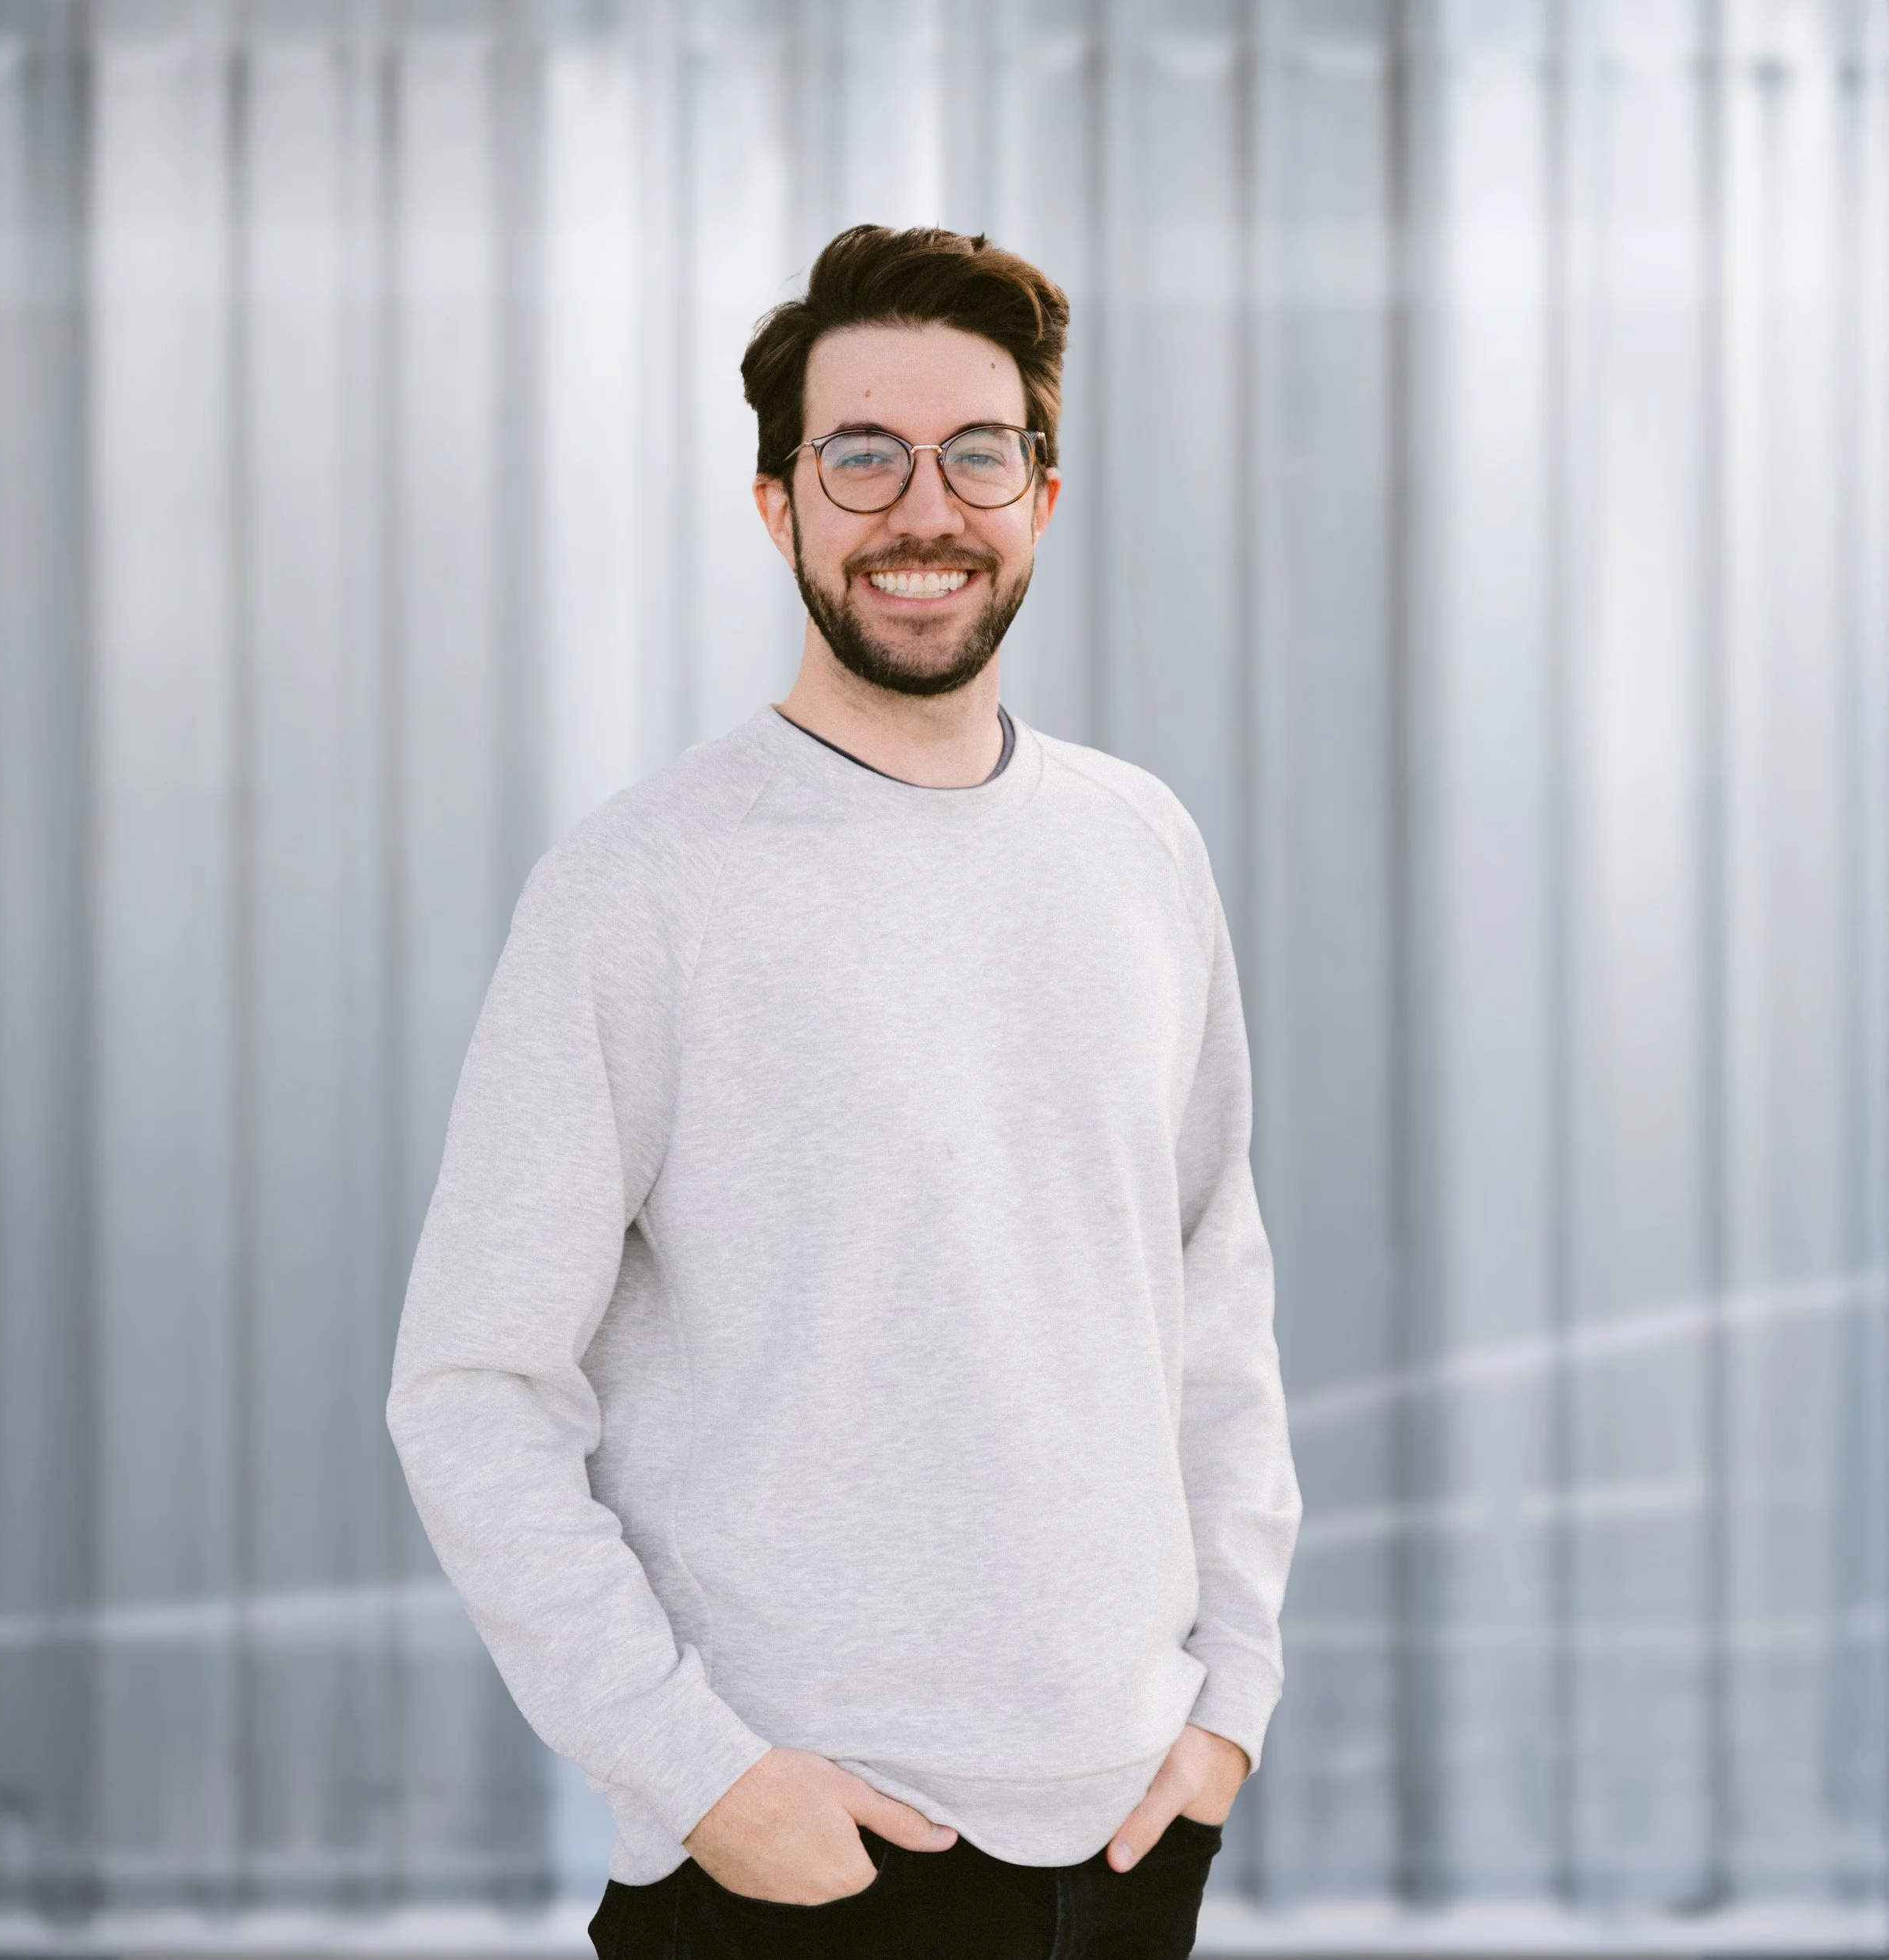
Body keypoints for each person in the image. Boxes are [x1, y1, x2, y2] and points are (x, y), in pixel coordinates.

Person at [387, 223, 1301, 1960]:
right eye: (858, 456)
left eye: (977, 452)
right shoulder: (642, 883)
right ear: (774, 503)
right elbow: (472, 1388)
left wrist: (1229, 1698)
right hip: (802, 1868)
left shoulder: (1138, 846)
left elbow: (1209, 1300)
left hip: (1124, 1846)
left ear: (1043, 493)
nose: (920, 509)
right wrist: (703, 1776)